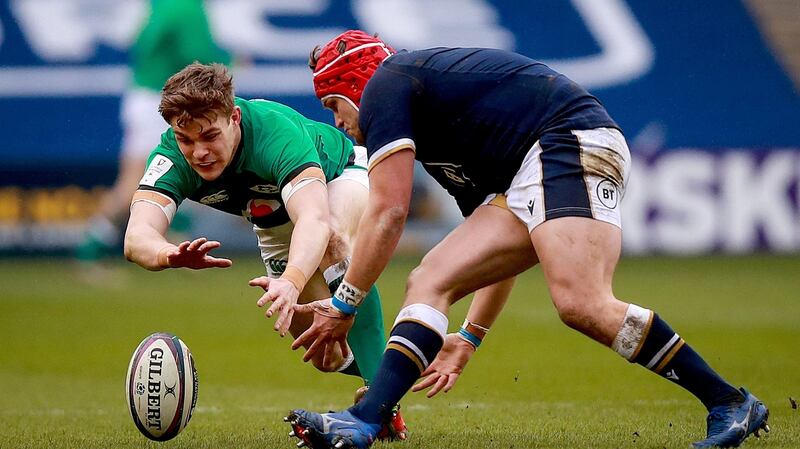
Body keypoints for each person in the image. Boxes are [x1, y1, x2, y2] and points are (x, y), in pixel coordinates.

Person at [283, 31, 770, 449]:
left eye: (333, 105)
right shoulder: (436, 128)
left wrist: (344, 306)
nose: (338, 122)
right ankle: (368, 419)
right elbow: (498, 256)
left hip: (569, 139)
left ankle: (729, 401)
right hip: (538, 163)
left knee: (582, 302)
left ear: (354, 83)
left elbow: (388, 212)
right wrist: (470, 337)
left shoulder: (386, 84)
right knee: (431, 279)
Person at [122, 62, 406, 439]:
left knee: (333, 239)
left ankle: (380, 404)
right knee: (326, 354)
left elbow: (315, 220)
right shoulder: (173, 154)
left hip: (343, 175)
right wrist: (166, 253)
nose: (199, 152)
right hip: (273, 222)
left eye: (209, 136)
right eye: (186, 140)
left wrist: (292, 279)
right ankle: (404, 359)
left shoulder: (274, 133)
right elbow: (136, 236)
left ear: (234, 117)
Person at [76, 0, 231, 263]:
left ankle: (177, 242)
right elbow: (197, 56)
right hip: (161, 104)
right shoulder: (186, 7)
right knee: (136, 183)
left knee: (193, 173)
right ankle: (90, 251)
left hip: (151, 99)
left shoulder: (162, 4)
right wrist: (230, 61)